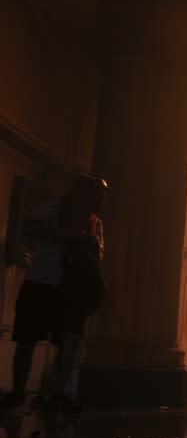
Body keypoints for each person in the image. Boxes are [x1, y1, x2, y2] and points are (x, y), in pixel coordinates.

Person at [0, 175, 107, 412]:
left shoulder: (95, 224)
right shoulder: (50, 209)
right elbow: (31, 228)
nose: (100, 201)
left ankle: (58, 394)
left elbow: (96, 256)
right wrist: (75, 237)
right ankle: (18, 391)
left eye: (101, 197)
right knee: (28, 339)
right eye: (96, 195)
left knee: (69, 341)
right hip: (42, 281)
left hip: (72, 288)